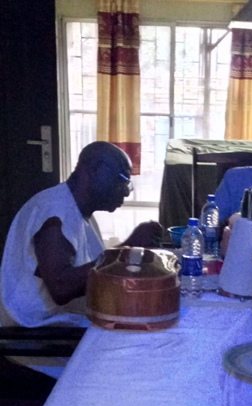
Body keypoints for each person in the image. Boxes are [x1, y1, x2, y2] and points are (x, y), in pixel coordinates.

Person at [0, 141, 163, 377]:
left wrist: (128, 247)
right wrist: (128, 248)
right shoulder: (54, 212)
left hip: (61, 330)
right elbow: (61, 286)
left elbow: (94, 266)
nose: (127, 190)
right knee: (144, 359)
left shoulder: (75, 210)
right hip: (37, 341)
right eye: (122, 178)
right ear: (94, 170)